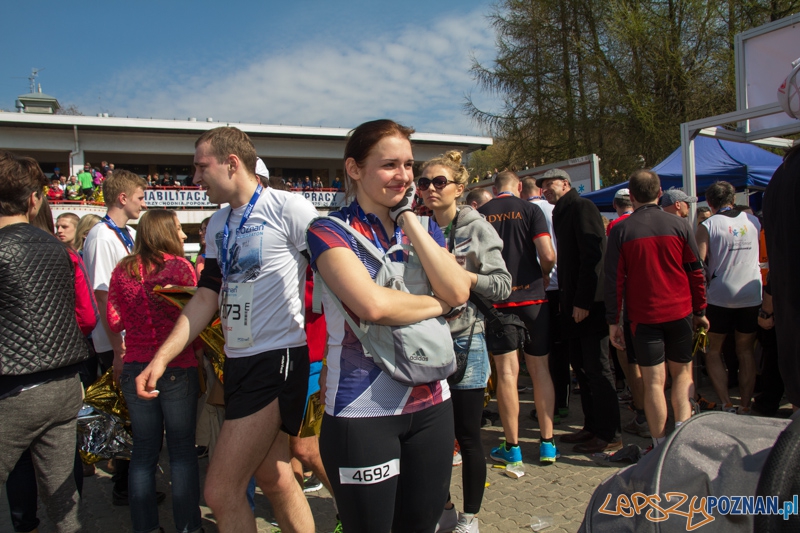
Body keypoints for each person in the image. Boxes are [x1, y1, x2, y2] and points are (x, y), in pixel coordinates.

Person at [135, 126, 318, 533]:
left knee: (220, 491)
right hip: (237, 362)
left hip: (278, 359)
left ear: (231, 163)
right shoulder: (218, 224)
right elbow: (206, 297)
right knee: (273, 476)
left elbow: (334, 273)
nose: (195, 179)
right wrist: (161, 358)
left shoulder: (288, 208)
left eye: (201, 167)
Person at [306, 119, 471, 533]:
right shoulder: (328, 230)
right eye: (389, 165)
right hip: (363, 408)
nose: (403, 176)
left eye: (409, 165)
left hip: (433, 401)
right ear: (354, 169)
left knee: (423, 525)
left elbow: (460, 291)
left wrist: (411, 221)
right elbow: (372, 305)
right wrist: (437, 304)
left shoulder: (423, 226)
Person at [419, 150, 511, 533]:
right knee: (433, 438)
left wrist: (466, 277)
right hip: (425, 342)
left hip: (465, 342)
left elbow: (503, 286)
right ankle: (443, 509)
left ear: (459, 187)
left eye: (439, 182)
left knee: (468, 436)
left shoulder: (475, 226)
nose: (430, 189)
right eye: (423, 182)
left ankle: (469, 519)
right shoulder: (418, 227)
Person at [0, 150, 91, 533]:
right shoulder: (62, 250)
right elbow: (83, 316)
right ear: (35, 199)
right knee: (62, 499)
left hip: (13, 388)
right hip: (64, 384)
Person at [109, 209, 202, 533]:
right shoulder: (179, 267)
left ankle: (145, 528)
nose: (182, 234)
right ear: (164, 231)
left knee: (144, 452)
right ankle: (189, 527)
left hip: (135, 364)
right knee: (181, 454)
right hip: (177, 365)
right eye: (177, 228)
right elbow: (196, 320)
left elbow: (113, 318)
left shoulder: (123, 270)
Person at [605, 169, 708, 449]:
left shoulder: (620, 229)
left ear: (632, 195)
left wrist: (614, 321)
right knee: (682, 376)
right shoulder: (680, 225)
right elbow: (695, 272)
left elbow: (613, 279)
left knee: (653, 383)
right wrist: (700, 309)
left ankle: (659, 445)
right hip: (680, 312)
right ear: (659, 193)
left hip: (644, 317)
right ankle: (681, 441)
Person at [478, 171, 557, 467]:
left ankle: (512, 447)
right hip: (533, 298)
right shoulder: (531, 209)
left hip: (498, 303)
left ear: (493, 189)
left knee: (508, 374)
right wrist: (544, 273)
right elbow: (547, 254)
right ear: (519, 187)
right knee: (540, 370)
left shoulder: (481, 213)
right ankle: (548, 444)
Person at [540, 168, 622, 454]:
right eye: (543, 187)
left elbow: (594, 257)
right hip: (572, 303)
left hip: (589, 306)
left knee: (598, 368)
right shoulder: (562, 211)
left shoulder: (581, 206)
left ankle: (610, 433)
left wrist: (584, 302)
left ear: (565, 183)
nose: (546, 189)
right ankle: (591, 426)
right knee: (583, 369)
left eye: (551, 184)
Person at [83, 169, 148, 504]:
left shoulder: (124, 233)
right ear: (122, 198)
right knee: (125, 417)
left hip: (127, 339)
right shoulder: (101, 237)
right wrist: (120, 351)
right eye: (140, 197)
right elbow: (103, 295)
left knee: (130, 417)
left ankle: (129, 486)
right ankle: (125, 490)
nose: (143, 203)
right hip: (115, 343)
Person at [696, 181, 762, 413]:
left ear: (710, 203)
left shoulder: (708, 225)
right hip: (751, 293)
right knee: (745, 351)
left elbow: (698, 263)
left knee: (713, 350)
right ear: (732, 200)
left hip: (720, 295)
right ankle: (744, 405)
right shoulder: (753, 221)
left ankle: (726, 402)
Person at [521, 177, 570, 426]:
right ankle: (559, 405)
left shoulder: (526, 210)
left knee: (540, 353)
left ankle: (550, 409)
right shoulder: (556, 209)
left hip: (539, 285)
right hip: (559, 284)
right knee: (558, 350)